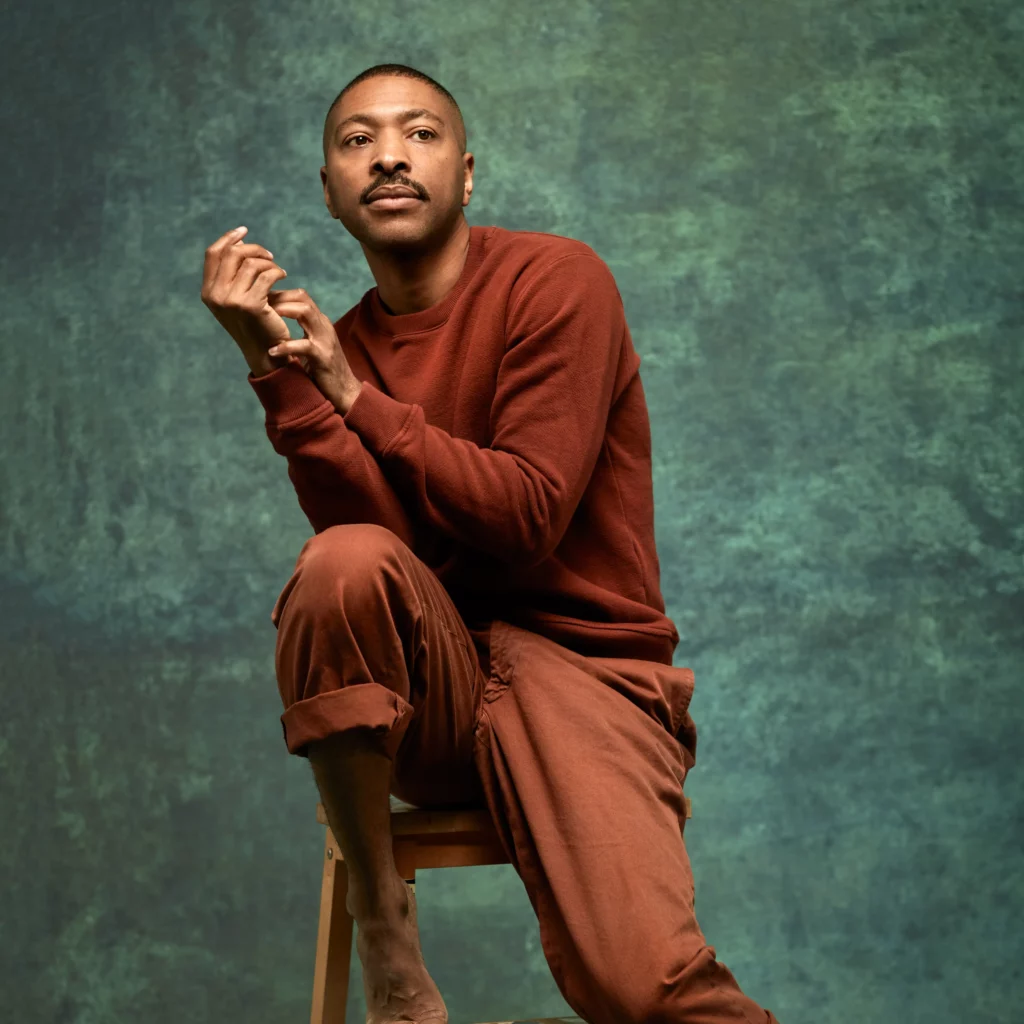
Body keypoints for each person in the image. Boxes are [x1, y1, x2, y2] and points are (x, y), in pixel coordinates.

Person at [201, 62, 780, 1024]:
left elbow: (526, 517)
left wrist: (354, 398)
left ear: (466, 175)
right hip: (436, 699)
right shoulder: (336, 344)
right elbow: (377, 552)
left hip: (586, 679)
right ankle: (388, 934)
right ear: (330, 191)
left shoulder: (557, 281)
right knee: (341, 563)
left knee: (644, 992)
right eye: (358, 141)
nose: (389, 156)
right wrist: (273, 367)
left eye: (420, 133)